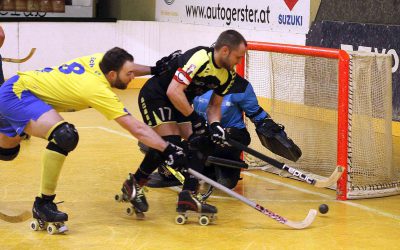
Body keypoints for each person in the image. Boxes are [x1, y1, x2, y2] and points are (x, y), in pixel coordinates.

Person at [0, 47, 186, 233]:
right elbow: (136, 128)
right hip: (18, 94)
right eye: (129, 74)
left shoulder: (101, 62)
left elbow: (129, 66)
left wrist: (154, 69)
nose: (133, 77)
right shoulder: (96, 89)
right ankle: (43, 204)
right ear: (112, 74)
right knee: (64, 136)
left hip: (25, 92)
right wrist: (167, 149)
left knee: (8, 152)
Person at [121, 29, 247, 217]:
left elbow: (214, 106)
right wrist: (195, 119)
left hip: (180, 101)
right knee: (169, 142)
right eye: (238, 57)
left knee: (201, 141)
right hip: (157, 95)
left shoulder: (228, 75)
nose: (239, 61)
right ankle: (135, 183)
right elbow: (173, 91)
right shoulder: (200, 58)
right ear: (225, 51)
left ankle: (188, 195)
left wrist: (215, 126)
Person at [149, 75, 302, 191]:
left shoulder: (240, 86)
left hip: (230, 137)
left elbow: (256, 115)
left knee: (226, 183)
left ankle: (204, 165)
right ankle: (198, 165)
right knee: (158, 145)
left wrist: (274, 132)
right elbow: (179, 110)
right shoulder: (196, 83)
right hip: (203, 135)